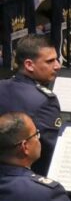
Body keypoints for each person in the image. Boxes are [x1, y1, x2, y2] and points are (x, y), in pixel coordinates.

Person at [0, 35, 62, 175]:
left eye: (56, 59)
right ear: (29, 65)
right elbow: (52, 150)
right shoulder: (45, 101)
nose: (57, 66)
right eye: (50, 61)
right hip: (27, 176)